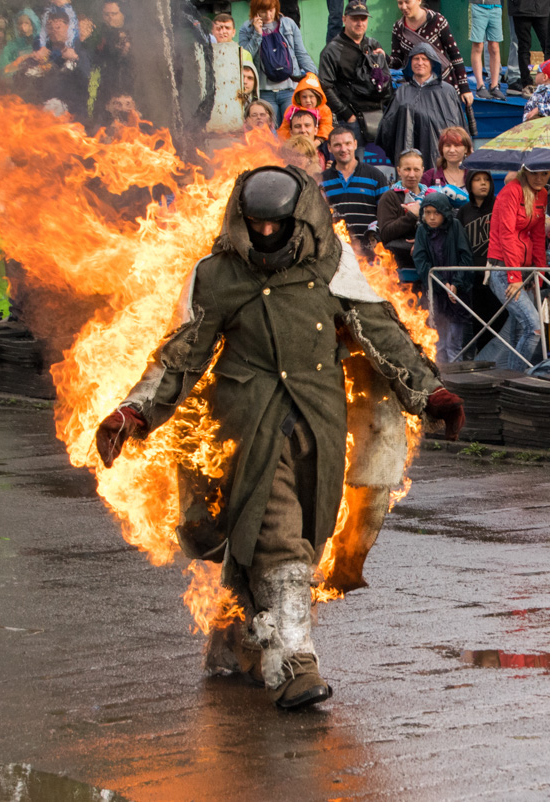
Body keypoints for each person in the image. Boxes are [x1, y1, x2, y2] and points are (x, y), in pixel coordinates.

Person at [93, 165, 464, 709]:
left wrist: (430, 393)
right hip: (247, 426)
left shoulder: (332, 264)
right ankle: (296, 664)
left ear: (298, 218)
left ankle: (238, 640)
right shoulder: (215, 274)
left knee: (303, 541)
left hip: (319, 422)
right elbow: (182, 354)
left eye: (277, 225)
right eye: (256, 224)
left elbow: (381, 331)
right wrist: (135, 411)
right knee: (278, 535)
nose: (266, 235)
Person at [481, 168, 550, 371]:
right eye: (534, 173)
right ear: (524, 172)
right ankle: (518, 377)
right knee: (534, 327)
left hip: (524, 270)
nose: (539, 178)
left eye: (545, 174)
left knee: (521, 329)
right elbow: (507, 236)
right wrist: (514, 276)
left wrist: (540, 273)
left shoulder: (543, 194)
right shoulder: (510, 192)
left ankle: (511, 378)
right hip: (503, 269)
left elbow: (538, 236)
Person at [376, 44, 465, 170]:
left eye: (425, 59)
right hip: (407, 165)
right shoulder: (402, 91)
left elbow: (458, 128)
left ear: (433, 63)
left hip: (438, 162)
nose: (420, 63)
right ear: (410, 63)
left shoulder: (447, 91)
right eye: (416, 59)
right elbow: (387, 129)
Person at [318, 1, 394, 147]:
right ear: (344, 19)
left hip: (378, 116)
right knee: (352, 165)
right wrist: (347, 115)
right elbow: (325, 86)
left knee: (381, 167)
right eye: (354, 18)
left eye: (363, 19)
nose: (360, 23)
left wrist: (383, 60)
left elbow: (385, 79)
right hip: (351, 121)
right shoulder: (332, 50)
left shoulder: (373, 44)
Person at [413, 193, 475, 363]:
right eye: (427, 212)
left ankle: (456, 384)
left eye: (436, 213)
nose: (432, 217)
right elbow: (421, 261)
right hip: (436, 295)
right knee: (438, 346)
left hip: (457, 294)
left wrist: (456, 283)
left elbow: (465, 258)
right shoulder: (422, 231)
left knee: (454, 345)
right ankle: (441, 382)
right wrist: (440, 283)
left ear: (445, 213)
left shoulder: (455, 226)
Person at [239, 0, 317, 127]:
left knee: (293, 127)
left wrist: (314, 79)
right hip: (265, 91)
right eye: (263, 11)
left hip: (289, 89)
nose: (268, 15)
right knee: (268, 132)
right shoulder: (247, 28)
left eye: (271, 9)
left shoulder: (288, 24)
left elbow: (301, 53)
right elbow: (245, 58)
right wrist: (257, 35)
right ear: (255, 11)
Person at [390, 0, 474, 106]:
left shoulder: (437, 21)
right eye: (400, 3)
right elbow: (397, 61)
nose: (403, 7)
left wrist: (464, 88)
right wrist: (382, 58)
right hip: (416, 92)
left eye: (407, 2)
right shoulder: (399, 28)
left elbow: (454, 55)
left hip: (443, 88)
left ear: (419, 1)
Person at [321, 125, 390, 250]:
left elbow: (386, 213)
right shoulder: (321, 180)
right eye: (337, 145)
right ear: (329, 148)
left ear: (355, 144)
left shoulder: (375, 175)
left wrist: (377, 237)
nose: (343, 149)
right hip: (335, 251)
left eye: (348, 143)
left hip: (370, 252)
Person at [377, 149, 429, 274]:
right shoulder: (390, 197)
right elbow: (385, 233)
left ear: (423, 170)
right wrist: (411, 216)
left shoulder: (431, 196)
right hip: (398, 268)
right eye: (407, 169)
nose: (411, 174)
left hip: (430, 265)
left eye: (416, 170)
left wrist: (422, 242)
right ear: (399, 170)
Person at [35, 10, 91, 121]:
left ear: (68, 28)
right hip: (45, 115)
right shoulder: (43, 53)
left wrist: (75, 59)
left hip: (73, 116)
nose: (54, 31)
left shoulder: (80, 51)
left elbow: (87, 77)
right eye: (50, 28)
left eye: (58, 27)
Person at [276, 74, 334, 142]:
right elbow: (284, 129)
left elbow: (326, 127)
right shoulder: (291, 110)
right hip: (295, 142)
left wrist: (317, 142)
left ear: (318, 97)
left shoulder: (324, 110)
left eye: (311, 96)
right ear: (298, 98)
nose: (308, 100)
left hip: (318, 142)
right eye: (304, 97)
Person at [509, 0, 550, 95]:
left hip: (542, 8)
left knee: (548, 46)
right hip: (520, 8)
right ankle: (527, 84)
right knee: (524, 46)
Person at [459, 170, 497, 265]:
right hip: (470, 268)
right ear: (469, 185)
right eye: (477, 179)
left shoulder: (500, 206)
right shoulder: (464, 210)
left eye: (487, 179)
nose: (483, 183)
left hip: (495, 266)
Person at [468, 0, 505, 99]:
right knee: (478, 45)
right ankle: (480, 86)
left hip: (496, 7)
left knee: (494, 46)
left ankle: (494, 86)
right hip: (477, 6)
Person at [0, 9, 41, 84]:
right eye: (20, 23)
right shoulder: (10, 47)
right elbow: (3, 71)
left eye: (26, 23)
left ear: (33, 25)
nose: (22, 27)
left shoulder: (42, 44)